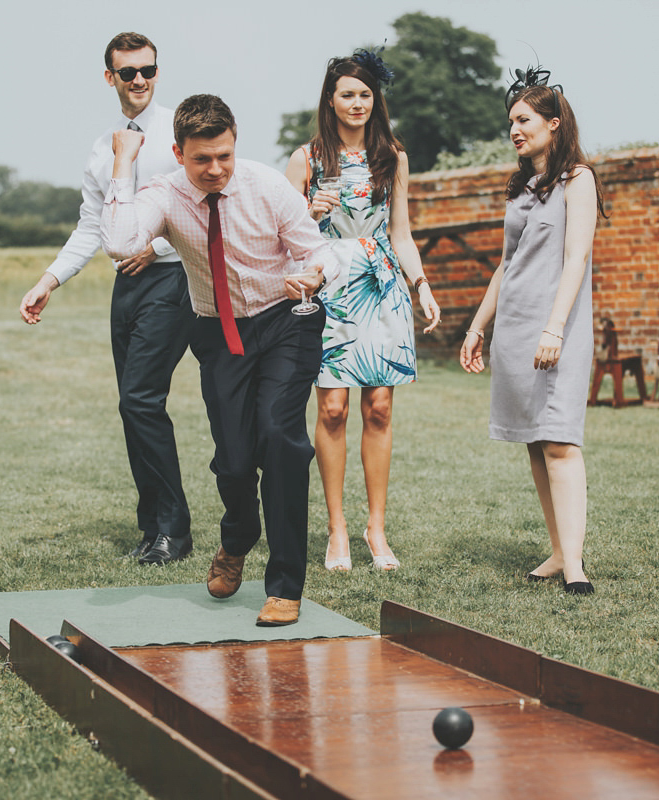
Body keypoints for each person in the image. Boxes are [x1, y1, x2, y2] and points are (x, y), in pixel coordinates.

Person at [100, 94, 339, 626]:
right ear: (178, 152)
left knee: (281, 439)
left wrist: (315, 275)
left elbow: (317, 250)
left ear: (235, 146)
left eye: (224, 156)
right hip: (218, 331)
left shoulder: (267, 186)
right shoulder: (163, 193)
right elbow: (119, 243)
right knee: (232, 459)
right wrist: (123, 161)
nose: (215, 170)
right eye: (202, 159)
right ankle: (238, 537)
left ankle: (283, 584)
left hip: (286, 320)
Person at [19, 32, 194, 566]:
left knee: (140, 399)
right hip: (127, 287)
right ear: (110, 78)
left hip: (174, 279)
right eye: (128, 72)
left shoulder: (179, 132)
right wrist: (48, 280)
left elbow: (204, 202)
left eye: (147, 70)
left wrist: (156, 243)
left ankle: (174, 531)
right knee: (133, 408)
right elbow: (92, 227)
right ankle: (152, 527)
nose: (139, 80)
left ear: (157, 72)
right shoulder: (103, 148)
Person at [284, 51, 440, 572]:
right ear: (331, 98)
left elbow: (401, 232)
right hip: (329, 282)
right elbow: (280, 236)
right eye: (348, 94)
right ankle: (337, 531)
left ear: (377, 101)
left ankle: (377, 528)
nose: (357, 103)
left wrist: (421, 284)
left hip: (382, 283)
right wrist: (309, 212)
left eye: (366, 95)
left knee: (379, 408)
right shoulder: (305, 158)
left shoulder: (392, 156)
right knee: (331, 410)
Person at [459, 67, 605, 594]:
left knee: (561, 441)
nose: (515, 130)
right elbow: (506, 265)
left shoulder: (578, 180)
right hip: (515, 328)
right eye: (510, 122)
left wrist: (555, 328)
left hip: (555, 327)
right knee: (533, 442)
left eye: (524, 120)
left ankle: (576, 567)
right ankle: (559, 550)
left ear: (554, 121)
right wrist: (478, 328)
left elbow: (575, 258)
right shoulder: (520, 188)